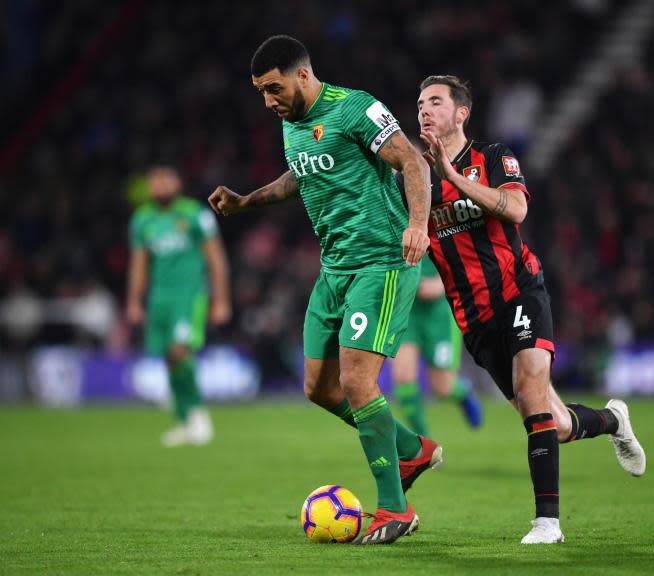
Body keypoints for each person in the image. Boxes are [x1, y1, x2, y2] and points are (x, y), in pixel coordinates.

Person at [207, 35, 440, 545]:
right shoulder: (291, 126)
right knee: (319, 388)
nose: (268, 101)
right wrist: (247, 201)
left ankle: (394, 511)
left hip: (381, 263)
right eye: (260, 92)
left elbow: (414, 162)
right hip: (333, 271)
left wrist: (417, 224)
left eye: (273, 88)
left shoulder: (357, 108)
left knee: (359, 383)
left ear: (303, 76)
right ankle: (410, 449)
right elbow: (301, 176)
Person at [412, 75, 646, 544]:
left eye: (435, 101)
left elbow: (515, 210)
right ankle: (613, 420)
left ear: (461, 113)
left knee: (530, 389)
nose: (424, 109)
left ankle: (547, 524)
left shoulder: (494, 157)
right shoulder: (416, 180)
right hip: (474, 319)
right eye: (419, 103)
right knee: (553, 424)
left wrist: (455, 178)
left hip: (519, 292)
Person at [126, 166, 231, 446]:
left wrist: (221, 300)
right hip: (160, 298)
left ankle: (198, 415)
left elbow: (216, 258)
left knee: (179, 351)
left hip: (190, 294)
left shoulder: (194, 214)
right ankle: (184, 420)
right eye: (155, 180)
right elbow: (139, 265)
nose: (160, 184)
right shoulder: (142, 220)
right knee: (169, 358)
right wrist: (134, 301)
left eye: (166, 178)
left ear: (178, 182)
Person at [390, 257, 483, 435]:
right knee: (403, 378)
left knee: (443, 388)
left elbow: (466, 254)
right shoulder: (387, 229)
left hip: (438, 314)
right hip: (404, 310)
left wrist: (443, 283)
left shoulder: (441, 228)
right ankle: (425, 444)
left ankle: (463, 392)